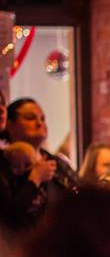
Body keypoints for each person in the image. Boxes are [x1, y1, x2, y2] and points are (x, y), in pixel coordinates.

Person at [0, 98, 78, 231]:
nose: (39, 123)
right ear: (10, 125)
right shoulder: (4, 163)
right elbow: (9, 215)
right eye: (30, 118)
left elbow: (79, 193)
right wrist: (35, 177)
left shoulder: (57, 162)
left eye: (42, 118)